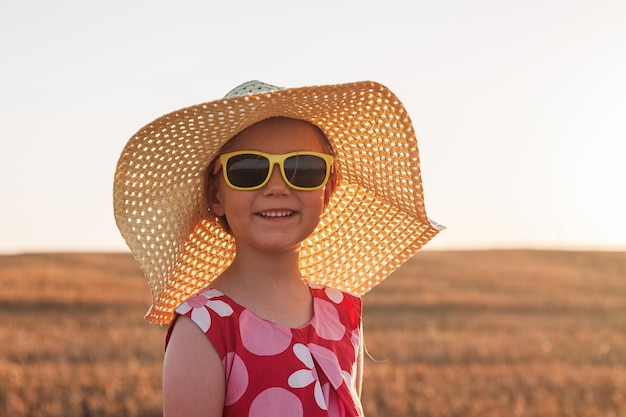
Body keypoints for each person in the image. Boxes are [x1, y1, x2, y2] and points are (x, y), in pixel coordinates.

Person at [113, 80, 443, 417]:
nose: (277, 186)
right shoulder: (204, 328)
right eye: (248, 169)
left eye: (303, 168)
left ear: (327, 190)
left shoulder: (343, 312)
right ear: (215, 195)